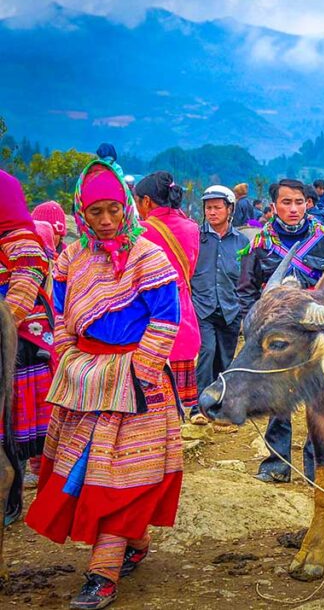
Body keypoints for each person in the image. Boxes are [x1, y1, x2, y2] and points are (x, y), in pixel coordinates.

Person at [25, 155, 183, 609]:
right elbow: (59, 315)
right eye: (96, 212)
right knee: (84, 473)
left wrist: (140, 373)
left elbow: (166, 320)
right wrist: (68, 358)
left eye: (115, 209)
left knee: (119, 476)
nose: (108, 220)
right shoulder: (71, 256)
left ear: (128, 206)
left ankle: (103, 573)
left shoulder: (147, 256)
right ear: (81, 212)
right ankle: (133, 541)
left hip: (137, 385)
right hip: (84, 381)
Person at [238, 178, 324, 483]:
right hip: (275, 339)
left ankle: (316, 467)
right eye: (286, 202)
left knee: (318, 399)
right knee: (277, 398)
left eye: (299, 202)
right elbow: (246, 289)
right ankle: (277, 463)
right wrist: (253, 326)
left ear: (308, 204)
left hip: (314, 334)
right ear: (274, 206)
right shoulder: (259, 244)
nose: (293, 208)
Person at [0, 170, 55, 526]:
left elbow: (25, 284)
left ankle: (25, 495)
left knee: (15, 431)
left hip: (20, 346)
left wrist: (5, 320)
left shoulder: (22, 240)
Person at [135, 171, 201, 414]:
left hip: (149, 317)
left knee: (152, 400)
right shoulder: (191, 227)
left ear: (147, 202)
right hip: (183, 314)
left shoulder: (140, 231)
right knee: (179, 405)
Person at [190, 185, 249, 425]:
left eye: (217, 207)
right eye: (208, 208)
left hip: (230, 308)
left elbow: (247, 277)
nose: (212, 212)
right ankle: (199, 406)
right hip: (202, 306)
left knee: (226, 359)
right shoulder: (196, 238)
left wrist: (244, 306)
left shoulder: (241, 241)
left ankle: (222, 406)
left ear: (229, 209)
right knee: (206, 352)